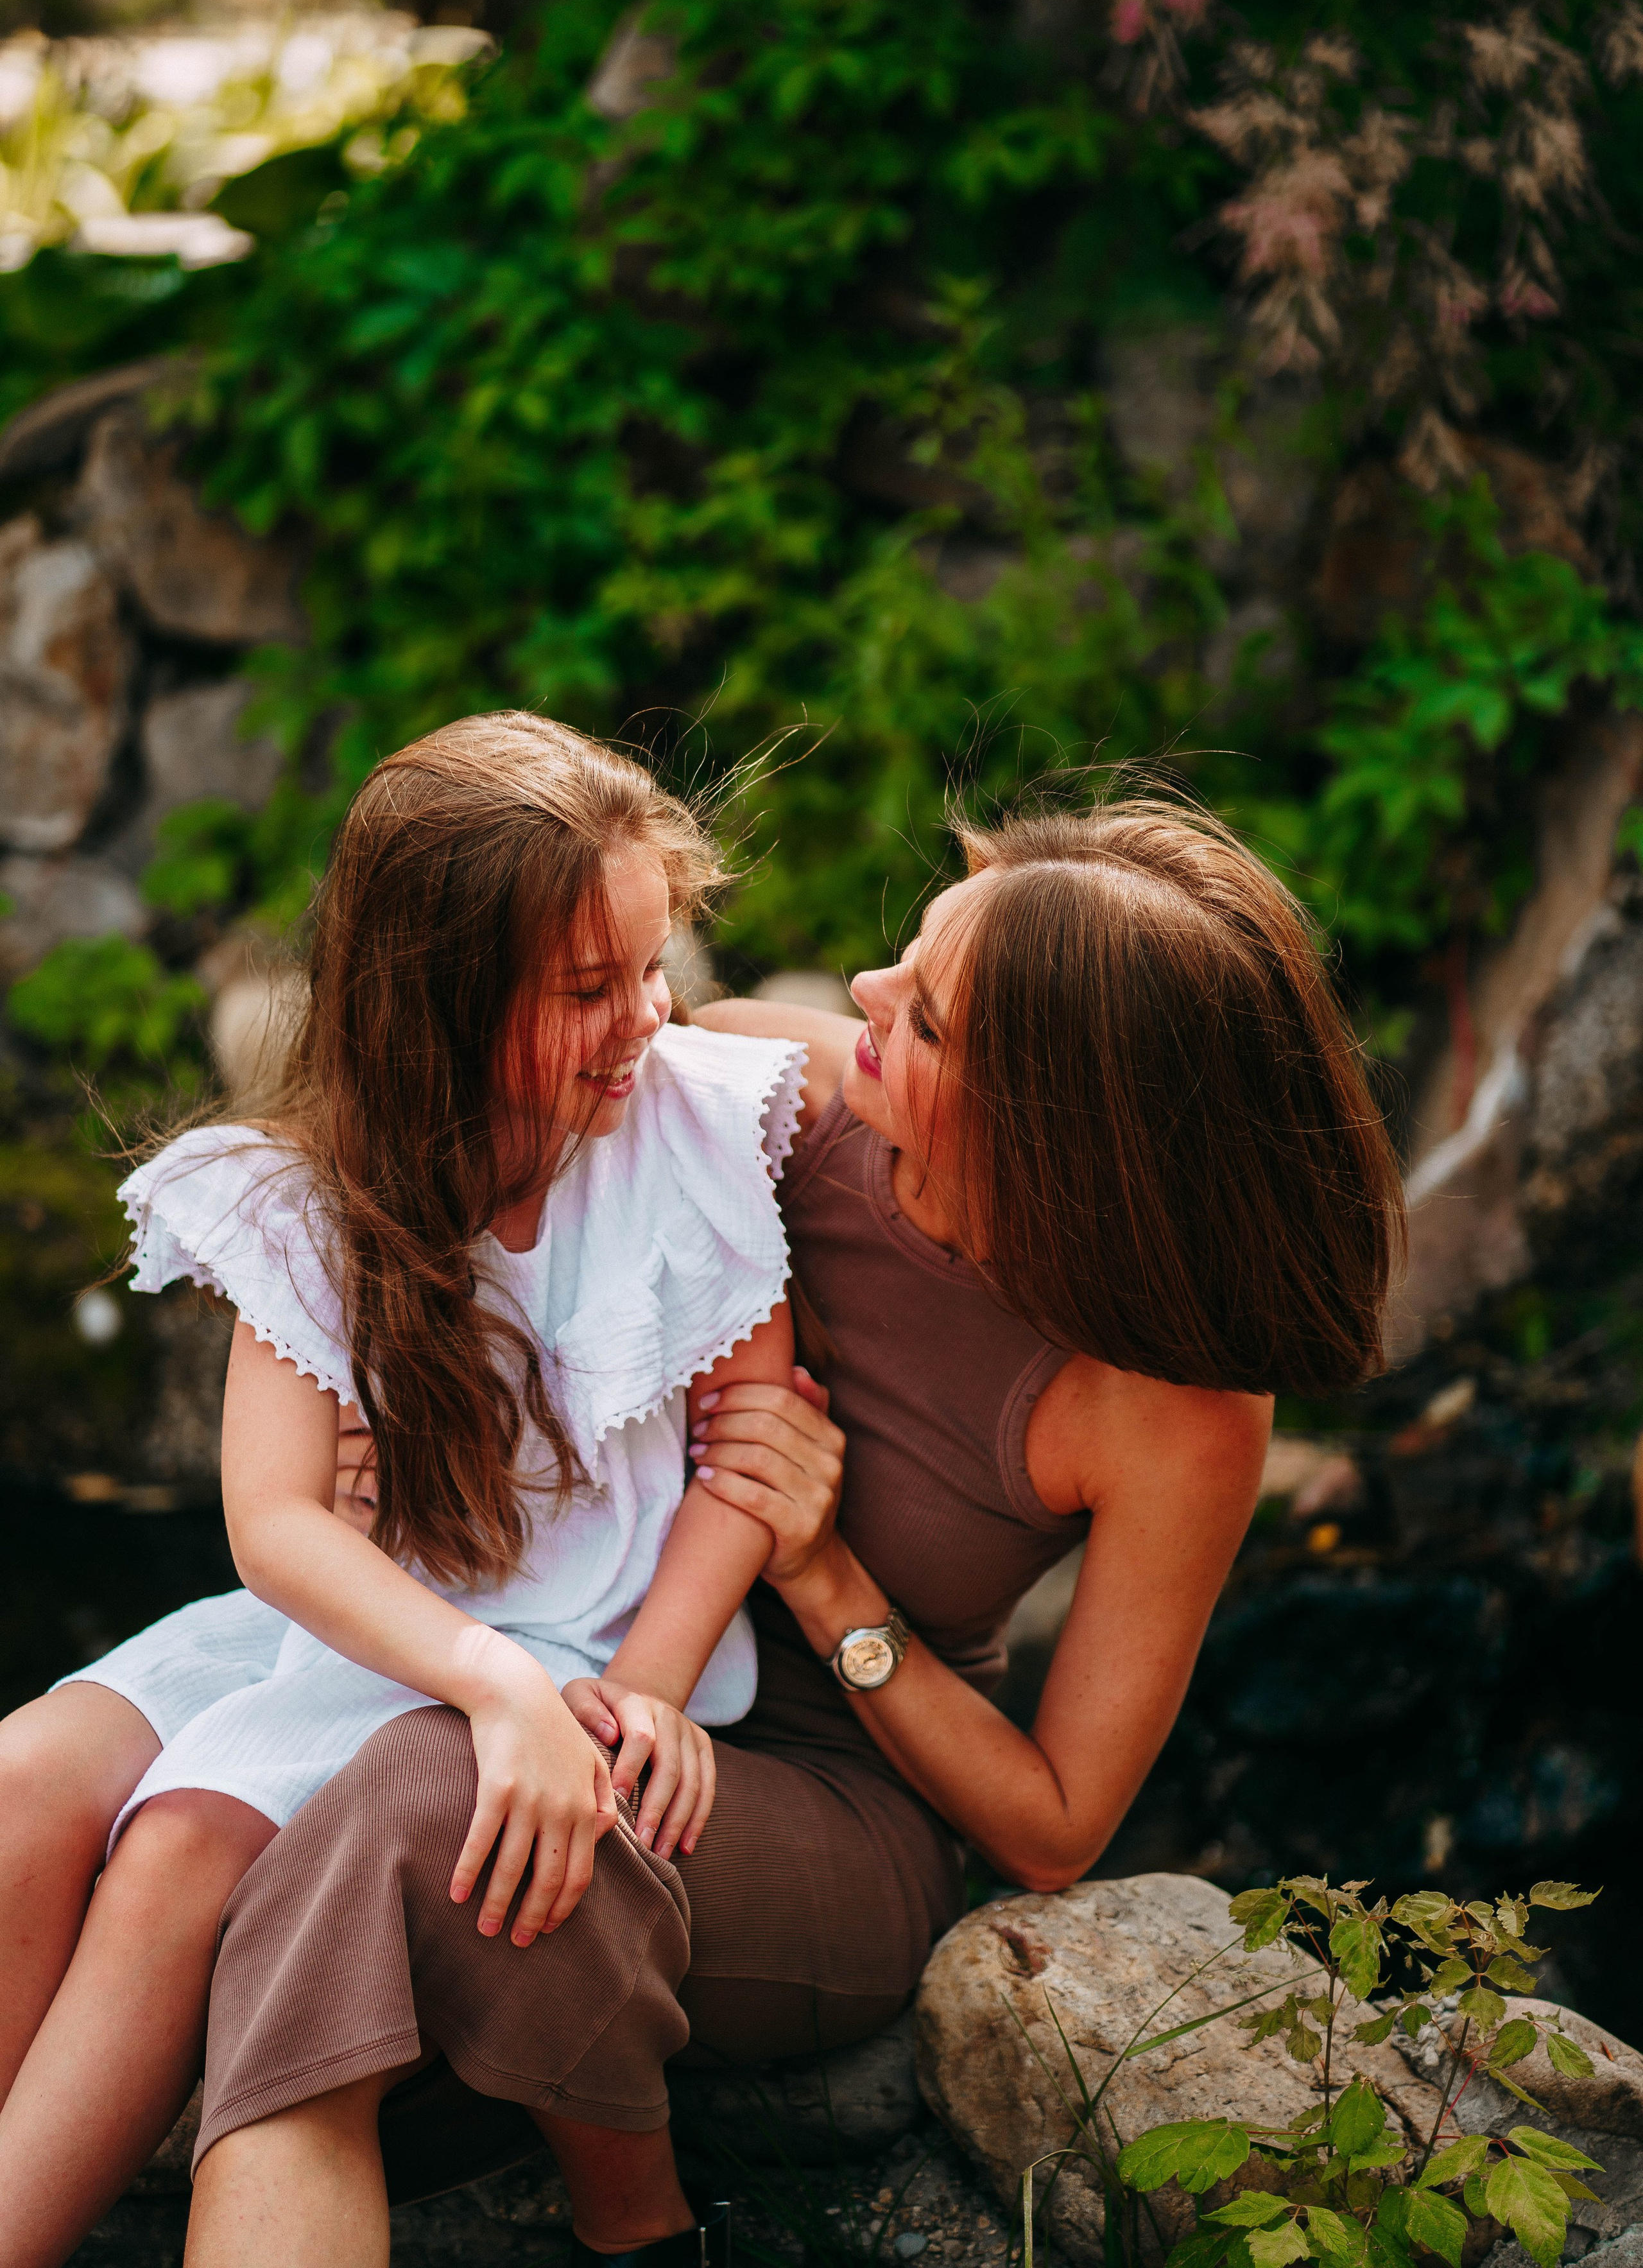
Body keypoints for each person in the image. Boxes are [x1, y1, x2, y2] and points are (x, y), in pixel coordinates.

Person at [172, 793, 1406, 2268]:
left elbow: (1053, 1826)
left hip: (821, 1804)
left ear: (1054, 1125)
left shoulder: (1177, 1411)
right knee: (111, 1795)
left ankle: (640, 2228)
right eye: (909, 956)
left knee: (416, 1794)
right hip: (560, 1647)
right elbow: (496, 1215)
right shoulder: (773, 1087)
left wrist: (824, 1579)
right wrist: (387, 1425)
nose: (866, 995)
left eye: (930, 1020)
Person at [0, 713, 814, 2268]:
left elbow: (744, 1448)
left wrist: (642, 1687)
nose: (646, 1017)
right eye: (591, 989)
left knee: (175, 1853)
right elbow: (278, 1525)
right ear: (438, 1002)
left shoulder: (694, 1126)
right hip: (405, 1634)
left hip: (586, 1646)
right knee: (30, 1793)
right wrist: (485, 1678)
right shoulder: (318, 1198)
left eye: (656, 968)